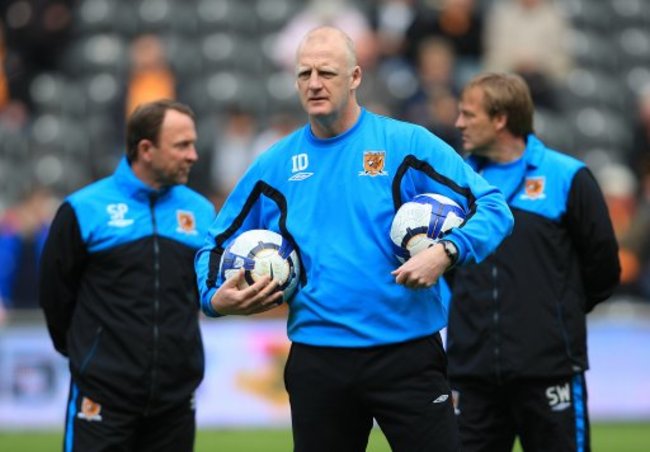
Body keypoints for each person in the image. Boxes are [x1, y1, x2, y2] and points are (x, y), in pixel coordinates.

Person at [195, 27, 514, 451]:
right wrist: (213, 299)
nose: (313, 83)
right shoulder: (275, 164)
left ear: (355, 77)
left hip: (407, 355)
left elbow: (494, 208)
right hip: (318, 359)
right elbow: (214, 247)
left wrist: (445, 251)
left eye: (326, 72)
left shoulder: (406, 144)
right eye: (304, 73)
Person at [446, 73, 620, 452]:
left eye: (468, 114)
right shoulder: (454, 180)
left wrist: (557, 313)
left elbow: (604, 268)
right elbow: (444, 266)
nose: (458, 123)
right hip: (471, 373)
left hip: (549, 369)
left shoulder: (567, 177)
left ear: (500, 119)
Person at [39, 99, 216, 451]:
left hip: (175, 400)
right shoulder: (83, 209)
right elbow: (55, 295)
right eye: (182, 145)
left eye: (193, 144)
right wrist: (88, 355)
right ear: (146, 149)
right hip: (102, 396)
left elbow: (203, 290)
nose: (193, 155)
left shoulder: (201, 211)